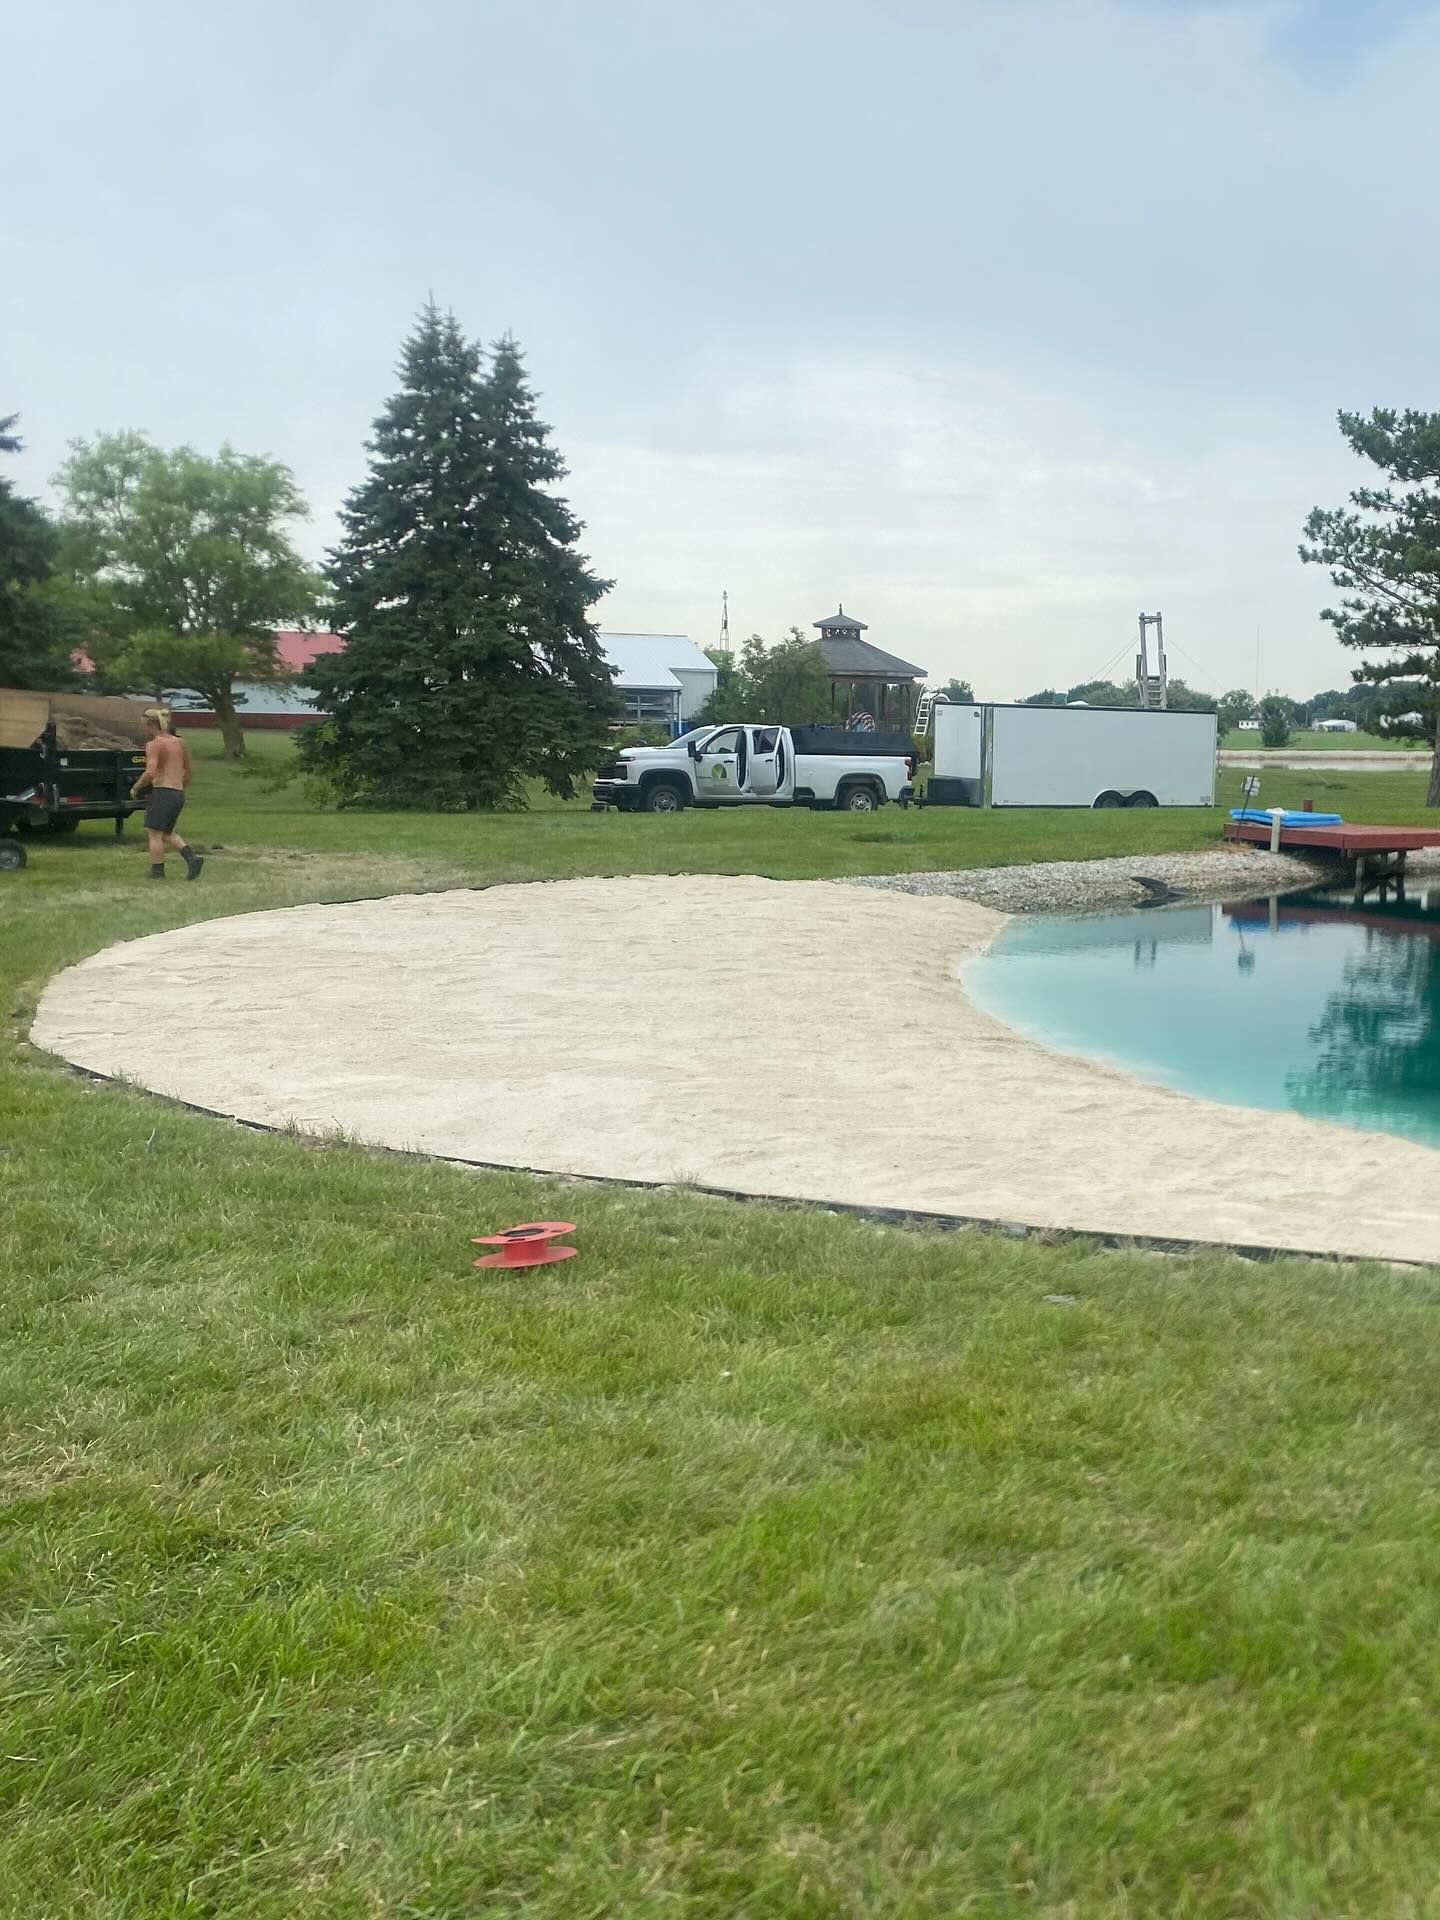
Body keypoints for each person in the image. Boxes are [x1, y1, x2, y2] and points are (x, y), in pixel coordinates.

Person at [130, 707, 203, 881]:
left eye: (144, 726)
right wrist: (182, 786)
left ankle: (157, 872)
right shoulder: (180, 742)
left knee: (154, 833)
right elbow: (189, 769)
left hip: (162, 792)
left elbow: (150, 772)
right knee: (166, 833)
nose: (144, 729)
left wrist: (136, 787)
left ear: (150, 725)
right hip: (178, 793)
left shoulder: (154, 744)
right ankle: (192, 859)